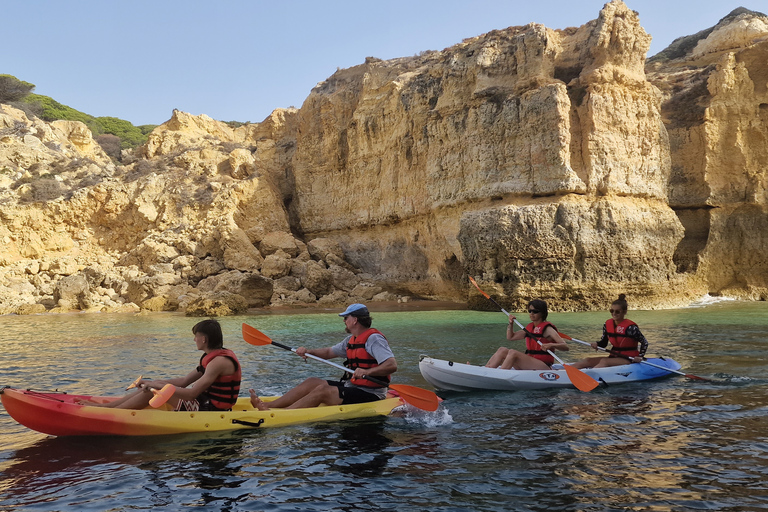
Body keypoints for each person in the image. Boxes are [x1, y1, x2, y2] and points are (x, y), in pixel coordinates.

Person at [249, 303, 397, 410]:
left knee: (322, 391)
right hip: (353, 386)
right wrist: (308, 351)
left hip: (371, 393)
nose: (344, 321)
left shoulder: (374, 339)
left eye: (346, 317)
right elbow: (327, 352)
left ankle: (284, 414)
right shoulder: (351, 340)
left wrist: (367, 372)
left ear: (355, 320)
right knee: (312, 381)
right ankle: (268, 405)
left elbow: (391, 365)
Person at [81, 319, 241, 411]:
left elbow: (192, 394)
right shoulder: (210, 357)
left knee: (155, 390)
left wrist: (157, 387)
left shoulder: (219, 362)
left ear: (204, 339)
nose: (194, 340)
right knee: (155, 386)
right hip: (204, 401)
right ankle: (109, 407)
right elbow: (185, 381)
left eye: (196, 337)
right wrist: (155, 382)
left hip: (211, 409)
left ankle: (110, 412)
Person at [484, 299, 569, 370]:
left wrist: (550, 345)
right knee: (502, 350)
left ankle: (500, 375)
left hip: (543, 366)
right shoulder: (530, 328)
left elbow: (565, 346)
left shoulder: (548, 329)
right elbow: (511, 337)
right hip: (530, 363)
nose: (531, 313)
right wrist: (511, 324)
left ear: (542, 313)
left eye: (535, 311)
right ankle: (487, 369)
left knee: (513, 353)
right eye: (530, 311)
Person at [571, 294, 648, 369]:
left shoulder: (631, 328)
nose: (614, 313)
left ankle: (589, 375)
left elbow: (644, 342)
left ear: (624, 312)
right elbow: (604, 343)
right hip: (614, 357)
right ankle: (564, 372)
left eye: (617, 311)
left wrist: (640, 356)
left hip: (629, 359)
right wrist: (597, 344)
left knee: (604, 361)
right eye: (611, 311)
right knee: (588, 360)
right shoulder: (607, 325)